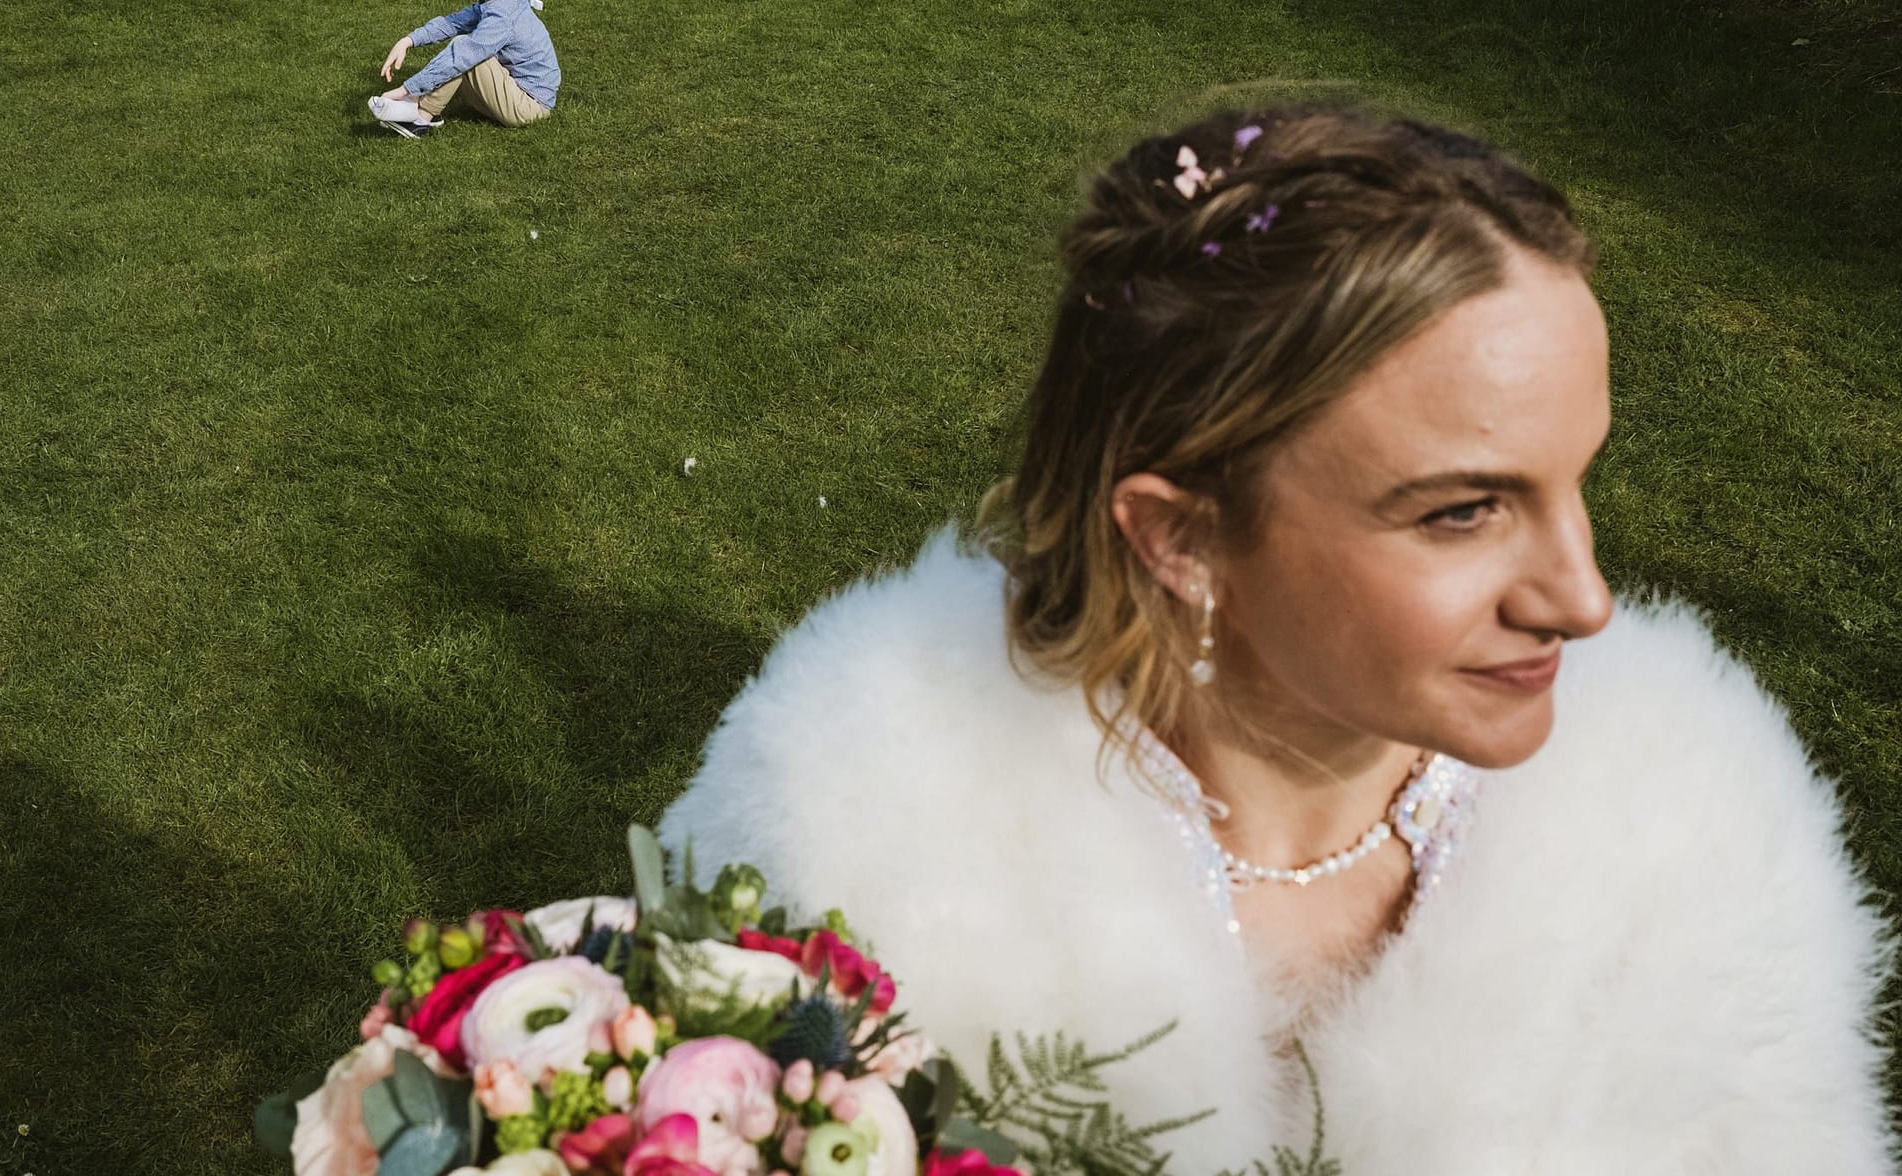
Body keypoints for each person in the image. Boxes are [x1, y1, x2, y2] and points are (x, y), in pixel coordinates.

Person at [658, 105, 1894, 1170]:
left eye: (1580, 479)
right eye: (1464, 510)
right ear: (1180, 539)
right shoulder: (846, 850)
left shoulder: (1698, 833)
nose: (1583, 598)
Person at [367, 0, 559, 140]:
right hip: (512, 92)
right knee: (463, 50)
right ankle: (423, 107)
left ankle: (421, 118)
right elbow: (452, 23)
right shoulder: (499, 2)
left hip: (529, 107)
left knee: (464, 50)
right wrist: (408, 41)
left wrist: (406, 89)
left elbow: (462, 55)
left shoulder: (503, 18)